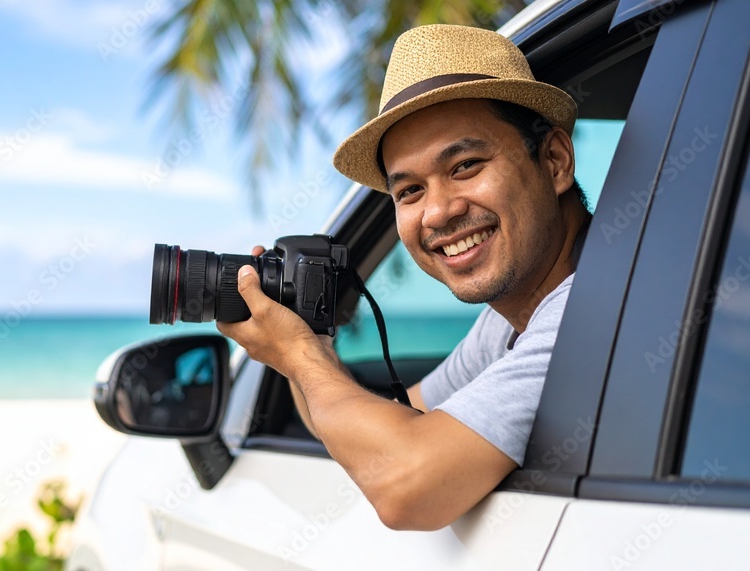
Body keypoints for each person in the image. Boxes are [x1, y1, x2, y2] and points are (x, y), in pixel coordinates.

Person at [217, 24, 591, 531]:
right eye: (410, 191)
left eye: (464, 165)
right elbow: (389, 427)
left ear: (554, 160)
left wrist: (298, 357)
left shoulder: (593, 312)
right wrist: (303, 339)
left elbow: (406, 487)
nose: (437, 213)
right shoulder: (509, 323)